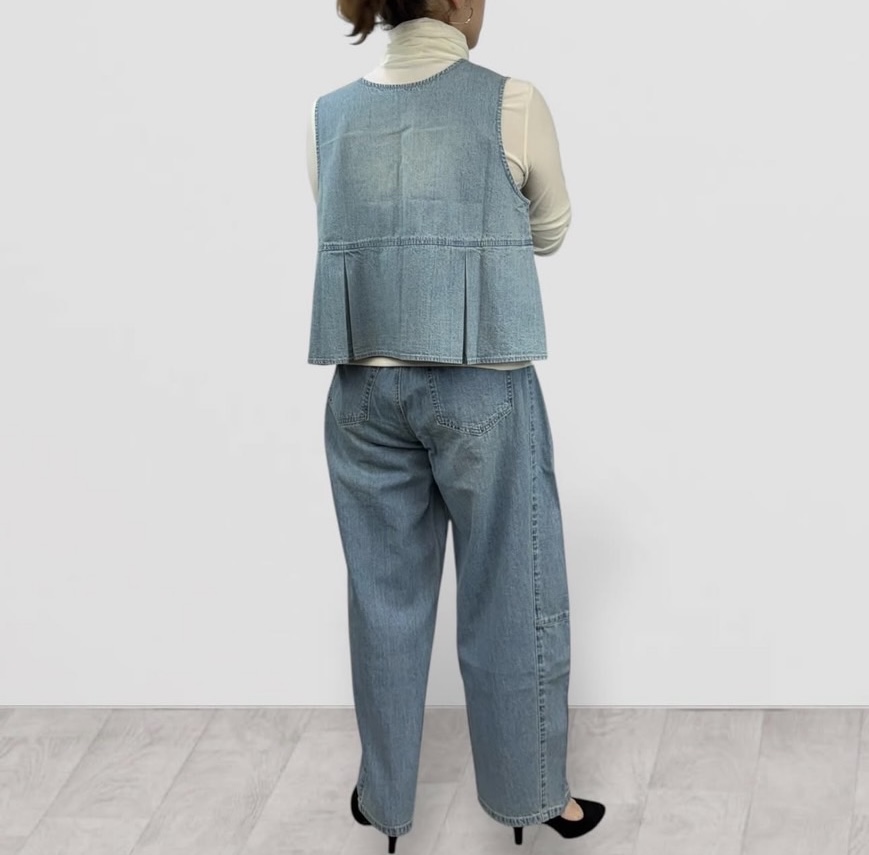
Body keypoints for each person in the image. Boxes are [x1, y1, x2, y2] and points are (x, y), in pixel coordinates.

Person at [306, 1, 606, 850]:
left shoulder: (329, 115)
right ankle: (534, 798)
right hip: (482, 383)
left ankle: (385, 803)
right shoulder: (511, 100)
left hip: (364, 385)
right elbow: (550, 228)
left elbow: (343, 226)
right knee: (511, 589)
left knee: (384, 599)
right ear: (457, 2)